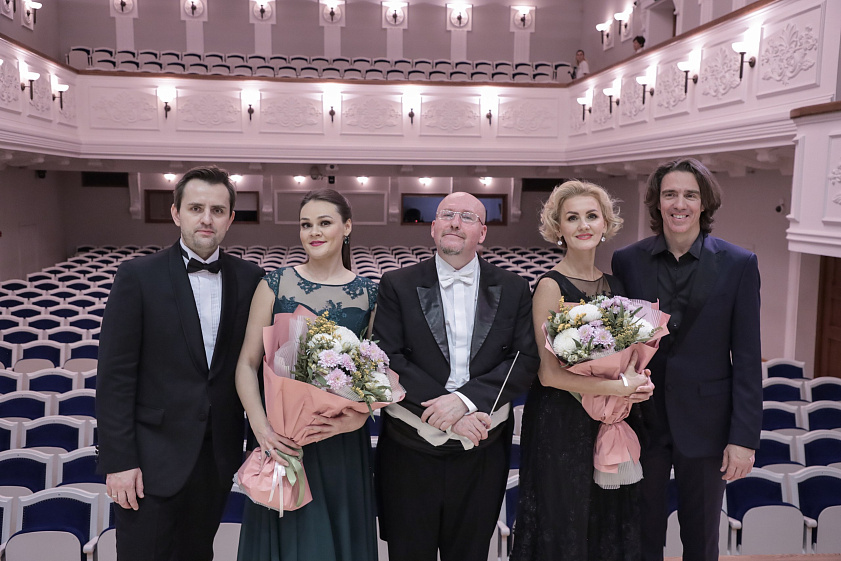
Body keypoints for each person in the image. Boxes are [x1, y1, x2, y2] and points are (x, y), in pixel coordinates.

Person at [96, 166, 264, 561]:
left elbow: (256, 369)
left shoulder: (252, 278)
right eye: (196, 208)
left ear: (230, 219)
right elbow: (115, 377)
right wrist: (119, 461)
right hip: (149, 460)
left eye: (217, 210)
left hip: (216, 458)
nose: (207, 219)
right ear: (176, 213)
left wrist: (257, 447)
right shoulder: (138, 276)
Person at [373, 192, 539, 561]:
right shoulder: (397, 284)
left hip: (483, 448)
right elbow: (387, 357)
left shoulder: (513, 287)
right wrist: (448, 414)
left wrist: (464, 402)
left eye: (467, 216)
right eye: (447, 214)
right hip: (409, 447)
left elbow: (524, 358)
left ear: (483, 232)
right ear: (433, 228)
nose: (455, 222)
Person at [611, 158, 762, 561]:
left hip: (708, 426)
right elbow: (621, 345)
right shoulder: (627, 260)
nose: (680, 204)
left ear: (704, 202)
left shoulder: (739, 263)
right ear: (657, 202)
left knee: (702, 539)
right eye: (670, 194)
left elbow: (748, 358)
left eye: (690, 195)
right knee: (640, 536)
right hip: (642, 422)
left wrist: (743, 439)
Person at [511, 180, 654, 561]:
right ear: (558, 227)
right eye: (572, 218)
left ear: (605, 224)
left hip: (607, 419)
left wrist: (639, 383)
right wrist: (620, 387)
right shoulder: (549, 286)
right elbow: (548, 375)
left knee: (604, 521)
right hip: (560, 422)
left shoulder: (616, 284)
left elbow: (629, 357)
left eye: (592, 216)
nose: (583, 225)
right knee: (564, 519)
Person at [235, 189, 379, 561]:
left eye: (324, 223)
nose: (313, 232)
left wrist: (357, 418)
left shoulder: (370, 294)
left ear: (347, 227)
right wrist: (263, 431)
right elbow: (247, 364)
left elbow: (375, 375)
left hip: (339, 440)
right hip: (281, 439)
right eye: (305, 224)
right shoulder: (275, 284)